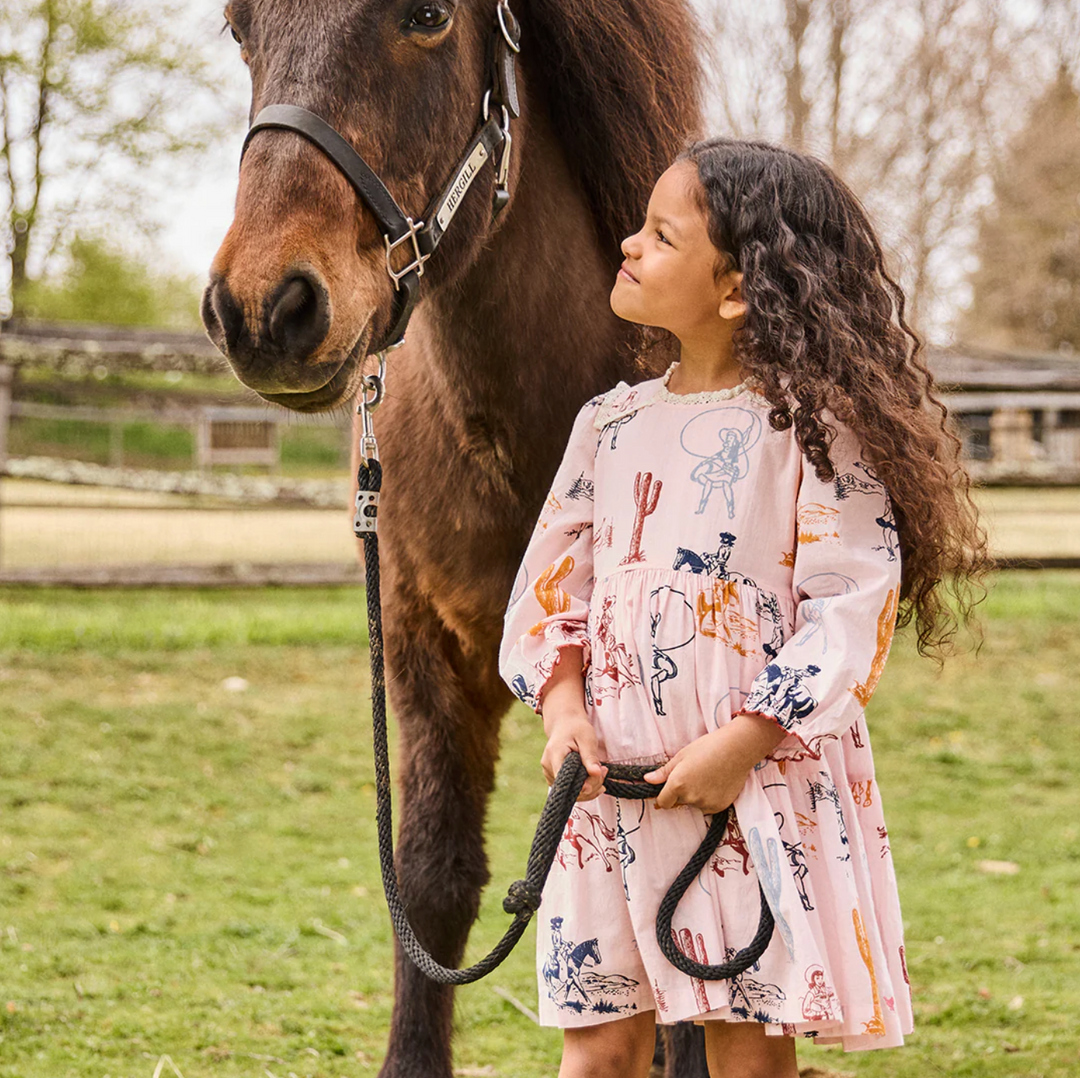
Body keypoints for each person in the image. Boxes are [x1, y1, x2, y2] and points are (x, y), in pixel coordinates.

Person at [498, 137, 989, 1078]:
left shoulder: (810, 426)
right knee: (596, 1044)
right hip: (612, 791)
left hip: (748, 788)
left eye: (660, 234)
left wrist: (746, 743)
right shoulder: (609, 425)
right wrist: (563, 714)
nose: (630, 246)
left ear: (734, 288)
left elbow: (850, 606)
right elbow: (555, 587)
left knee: (746, 1043)